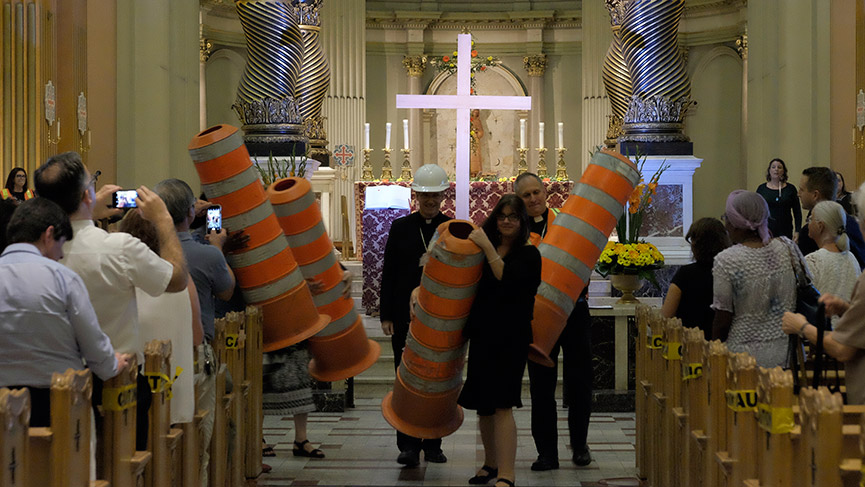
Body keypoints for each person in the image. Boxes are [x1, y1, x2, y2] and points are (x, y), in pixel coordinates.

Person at [34, 151, 188, 453]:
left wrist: (87, 210)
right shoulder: (119, 248)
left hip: (50, 388)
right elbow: (177, 279)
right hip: (116, 383)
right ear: (87, 195)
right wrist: (164, 220)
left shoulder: (33, 250)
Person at [0, 197, 129, 427]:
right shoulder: (62, 278)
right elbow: (95, 349)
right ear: (48, 235)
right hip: (57, 406)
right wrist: (112, 363)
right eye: (61, 245)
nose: (61, 255)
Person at [152, 178, 234, 485]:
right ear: (190, 213)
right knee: (198, 436)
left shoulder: (141, 251)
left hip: (150, 353)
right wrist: (217, 247)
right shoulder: (207, 254)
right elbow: (227, 292)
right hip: (195, 353)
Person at [459, 194, 541, 487]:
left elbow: (506, 280)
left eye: (513, 217)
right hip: (483, 333)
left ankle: (507, 473)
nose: (506, 221)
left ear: (522, 222)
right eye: (502, 216)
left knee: (503, 403)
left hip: (511, 337)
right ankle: (490, 464)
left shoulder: (529, 255)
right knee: (483, 404)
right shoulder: (484, 248)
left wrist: (485, 247)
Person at [513, 172, 593, 471]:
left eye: (537, 192)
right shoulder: (515, 231)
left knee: (580, 382)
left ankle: (580, 445)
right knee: (541, 387)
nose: (533, 199)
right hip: (536, 318)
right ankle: (547, 453)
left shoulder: (565, 221)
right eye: (526, 196)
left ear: (546, 192)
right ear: (519, 200)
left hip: (574, 312)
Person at [380, 163, 451, 466]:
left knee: (437, 381)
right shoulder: (400, 228)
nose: (430, 200)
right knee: (406, 381)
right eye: (425, 195)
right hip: (404, 316)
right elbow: (390, 274)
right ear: (416, 195)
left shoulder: (451, 229)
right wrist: (386, 314)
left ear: (443, 195)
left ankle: (433, 444)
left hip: (439, 318)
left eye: (435, 195)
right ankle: (407, 444)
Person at [782, 181, 865, 404]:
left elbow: (842, 349)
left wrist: (801, 326)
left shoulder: (813, 260)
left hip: (832, 346)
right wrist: (846, 308)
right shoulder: (852, 258)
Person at [118, 209, 204, 425]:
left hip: (130, 392)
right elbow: (197, 338)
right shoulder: (181, 280)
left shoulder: (118, 281)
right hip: (176, 389)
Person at [711, 190, 798, 368]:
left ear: (735, 224)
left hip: (742, 357)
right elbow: (806, 286)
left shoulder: (726, 260)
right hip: (785, 355)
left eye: (726, 217)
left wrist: (712, 352)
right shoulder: (787, 247)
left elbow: (723, 318)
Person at [662, 217, 731, 339]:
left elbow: (666, 316)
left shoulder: (685, 274)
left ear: (695, 244)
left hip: (690, 345)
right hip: (725, 346)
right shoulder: (730, 272)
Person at [797, 166, 865, 269]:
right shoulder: (853, 223)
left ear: (815, 195)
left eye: (801, 190)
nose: (798, 194)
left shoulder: (810, 232)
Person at [756, 158, 801, 239]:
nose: (776, 169)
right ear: (769, 171)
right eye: (773, 167)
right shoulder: (761, 189)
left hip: (785, 230)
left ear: (783, 171)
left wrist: (797, 231)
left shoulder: (790, 189)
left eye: (779, 167)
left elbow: (797, 212)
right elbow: (756, 211)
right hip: (766, 230)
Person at [470, 109, 485, 177]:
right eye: (475, 112)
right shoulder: (468, 120)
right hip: (470, 141)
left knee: (476, 157)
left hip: (476, 141)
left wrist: (476, 133)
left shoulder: (478, 121)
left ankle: (476, 172)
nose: (476, 113)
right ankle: (470, 172)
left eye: (477, 112)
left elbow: (481, 132)